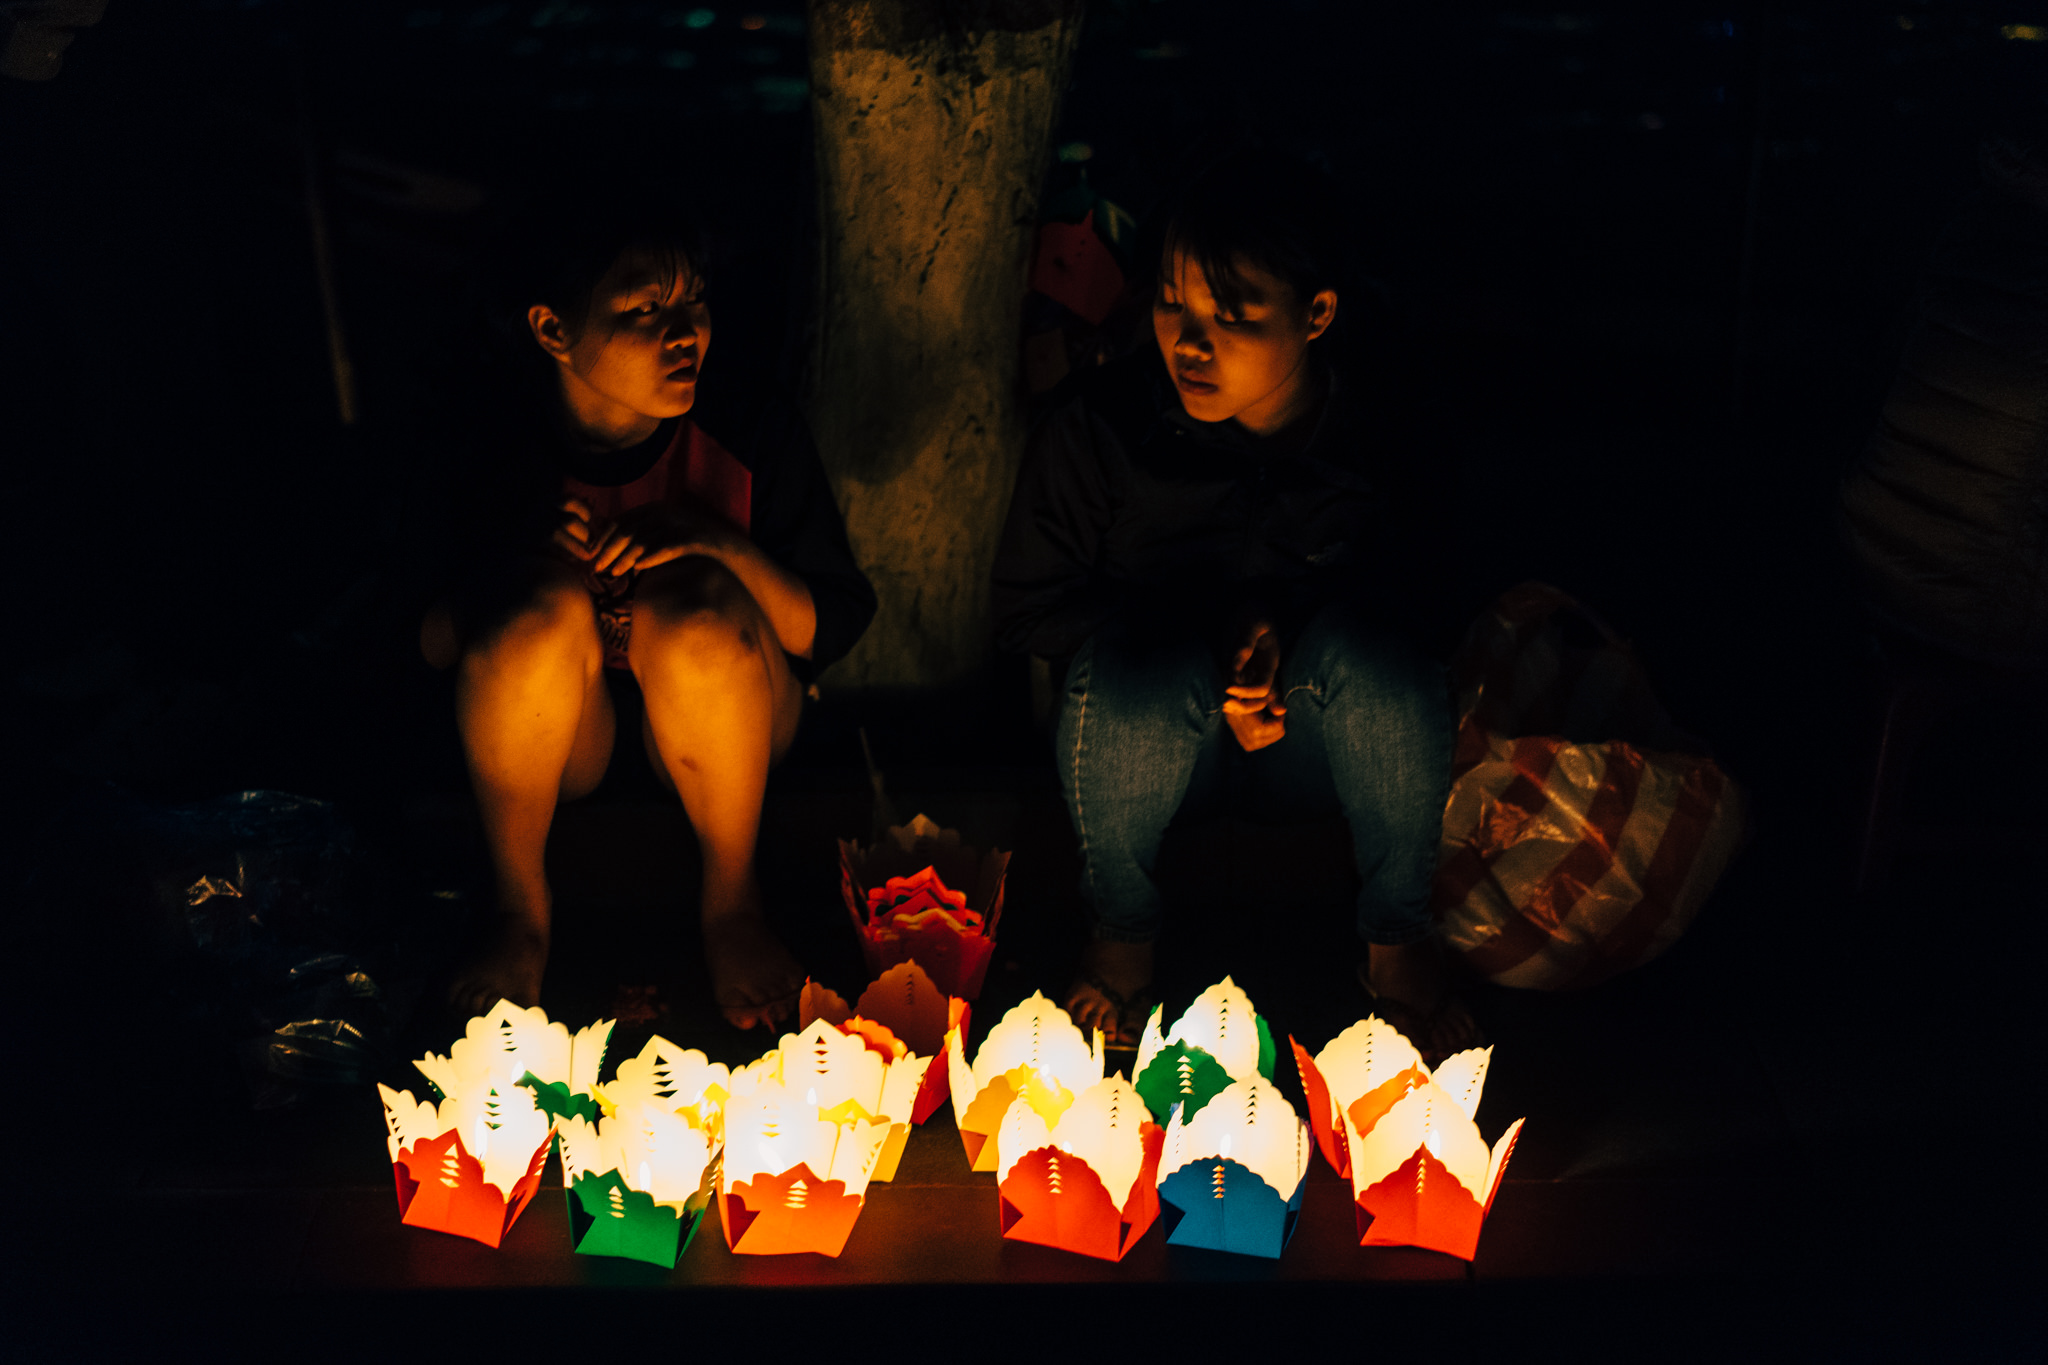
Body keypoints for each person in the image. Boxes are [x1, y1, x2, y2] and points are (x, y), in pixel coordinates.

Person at [991, 152, 1480, 1063]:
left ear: (1318, 314)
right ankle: (1122, 932)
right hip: (1147, 754)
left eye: (1233, 315)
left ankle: (1397, 943)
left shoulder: (1385, 432)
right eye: (1174, 303)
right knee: (1135, 670)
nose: (1189, 341)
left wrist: (1285, 643)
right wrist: (1205, 641)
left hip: (1319, 745)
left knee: (1378, 660)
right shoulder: (1104, 427)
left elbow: (1442, 606)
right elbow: (1026, 608)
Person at [420, 191, 875, 1030]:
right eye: (646, 309)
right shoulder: (496, 445)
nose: (685, 331)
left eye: (695, 299)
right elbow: (431, 644)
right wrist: (511, 550)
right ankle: (521, 914)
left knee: (692, 601)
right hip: (565, 741)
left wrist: (717, 542)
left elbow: (830, 625)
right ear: (554, 331)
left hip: (733, 722)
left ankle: (732, 905)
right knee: (535, 604)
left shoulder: (744, 422)